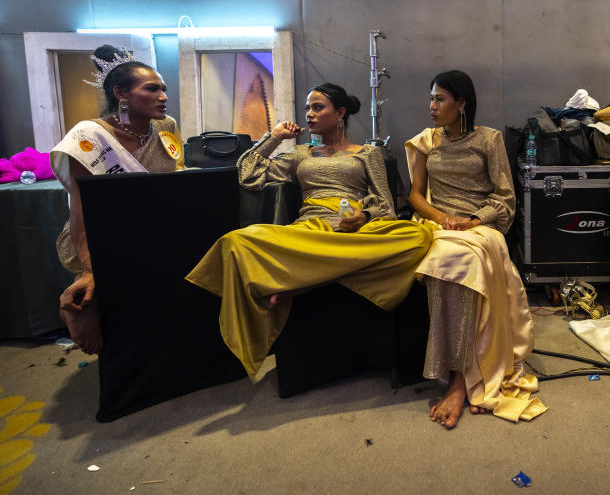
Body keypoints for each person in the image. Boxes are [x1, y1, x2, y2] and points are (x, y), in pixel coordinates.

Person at [186, 83, 432, 377]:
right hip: (309, 230)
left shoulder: (368, 154)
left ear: (340, 113)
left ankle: (300, 282)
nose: (310, 114)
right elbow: (248, 175)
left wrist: (364, 215)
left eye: (318, 107)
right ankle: (323, 273)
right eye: (307, 108)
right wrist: (273, 137)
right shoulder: (300, 154)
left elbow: (386, 207)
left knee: (417, 236)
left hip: (352, 232)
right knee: (234, 242)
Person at [404, 70, 544, 429]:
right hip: (437, 223)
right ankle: (452, 369)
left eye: (440, 99)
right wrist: (443, 217)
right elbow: (415, 195)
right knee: (437, 258)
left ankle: (460, 379)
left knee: (463, 257)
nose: (432, 106)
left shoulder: (489, 139)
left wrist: (472, 219)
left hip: (481, 225)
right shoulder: (427, 141)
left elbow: (505, 196)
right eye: (431, 99)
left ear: (462, 103)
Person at [51, 45, 186, 354]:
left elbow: (175, 177)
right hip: (106, 237)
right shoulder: (88, 137)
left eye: (163, 89)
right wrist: (89, 270)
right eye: (151, 89)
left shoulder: (168, 127)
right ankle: (83, 302)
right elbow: (81, 210)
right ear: (121, 93)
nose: (163, 96)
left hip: (157, 230)